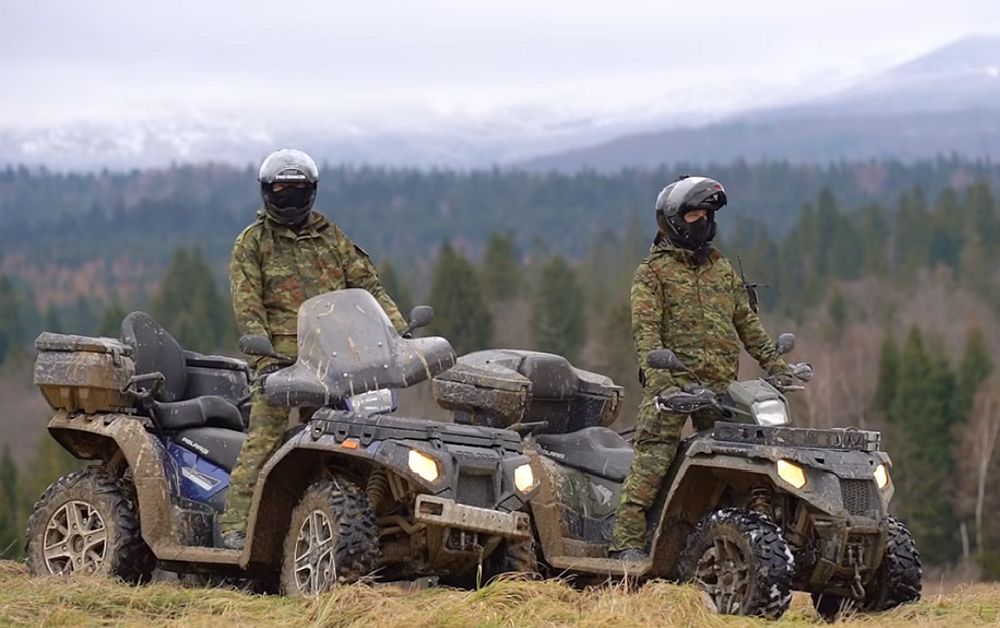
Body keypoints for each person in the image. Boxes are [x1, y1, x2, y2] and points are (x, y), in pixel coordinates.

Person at [220, 148, 406, 549]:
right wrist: (263, 357)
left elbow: (368, 288)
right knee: (265, 439)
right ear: (267, 192)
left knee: (353, 439)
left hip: (337, 359)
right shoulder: (253, 243)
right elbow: (247, 305)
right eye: (281, 191)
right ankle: (235, 526)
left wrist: (398, 334)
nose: (289, 198)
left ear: (312, 191)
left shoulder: (331, 237)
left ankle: (351, 526)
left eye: (298, 190)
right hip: (280, 363)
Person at [608, 176, 790, 561]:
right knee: (653, 460)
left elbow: (747, 323)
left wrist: (777, 365)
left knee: (738, 465)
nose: (703, 221)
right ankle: (626, 543)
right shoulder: (653, 273)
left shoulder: (721, 269)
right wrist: (662, 385)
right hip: (673, 387)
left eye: (708, 214)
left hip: (721, 387)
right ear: (673, 219)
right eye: (694, 214)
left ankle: (724, 547)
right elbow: (646, 333)